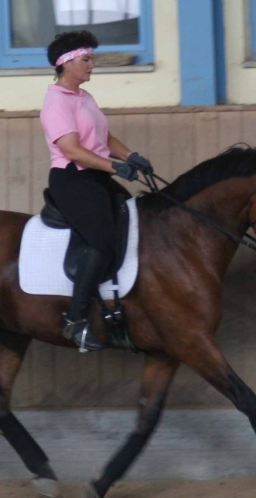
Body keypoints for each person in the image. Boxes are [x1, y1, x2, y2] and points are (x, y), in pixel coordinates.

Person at [40, 30, 153, 352]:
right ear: (66, 64)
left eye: (91, 59)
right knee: (101, 239)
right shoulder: (55, 103)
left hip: (95, 176)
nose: (92, 65)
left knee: (134, 218)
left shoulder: (82, 98)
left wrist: (130, 156)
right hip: (73, 180)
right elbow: (73, 150)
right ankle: (75, 320)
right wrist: (115, 168)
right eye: (86, 60)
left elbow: (103, 138)